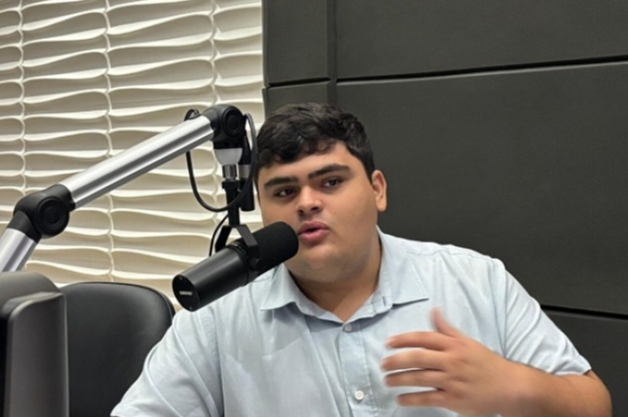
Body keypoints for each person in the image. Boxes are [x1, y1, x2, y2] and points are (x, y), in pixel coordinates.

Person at [112, 102, 611, 417]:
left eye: (330, 182)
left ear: (377, 190)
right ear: (262, 210)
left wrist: (514, 387)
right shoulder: (219, 318)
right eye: (284, 191)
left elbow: (595, 405)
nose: (307, 203)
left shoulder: (474, 280)